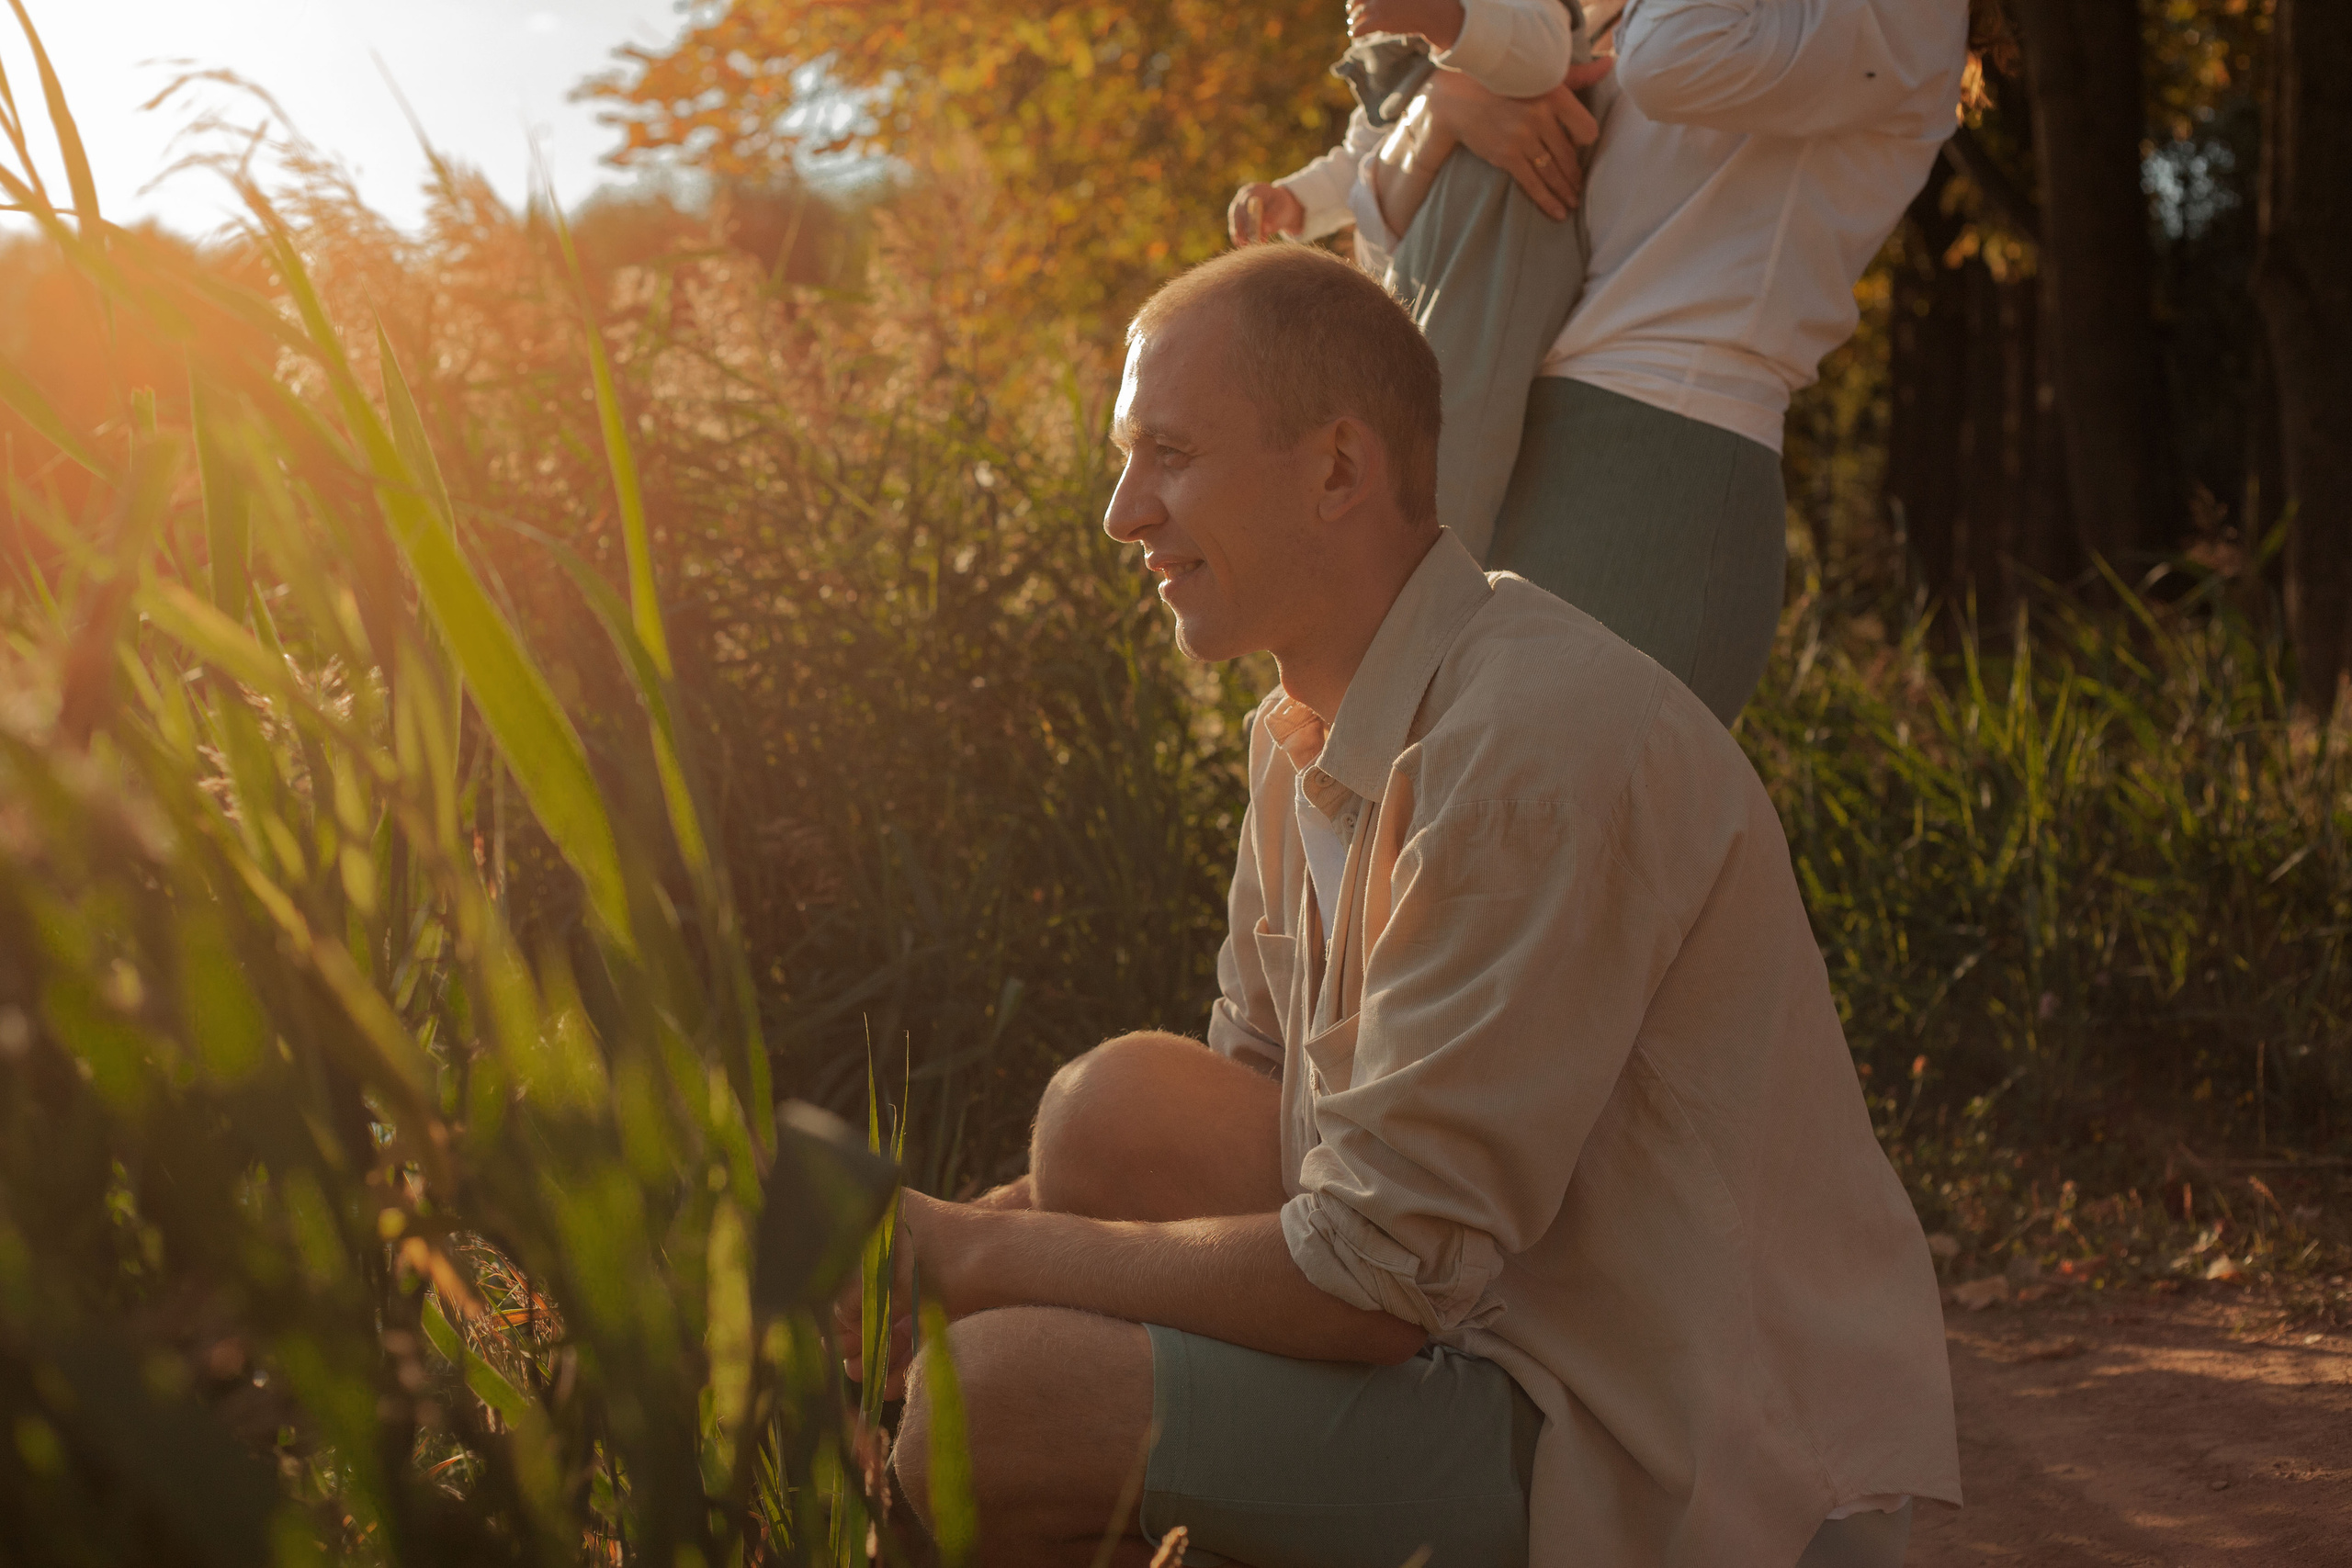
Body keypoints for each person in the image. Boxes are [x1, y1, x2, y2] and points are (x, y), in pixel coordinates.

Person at [854, 244, 1959, 1568]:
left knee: (991, 1401)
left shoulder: (1529, 743)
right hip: (1486, 1311)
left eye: (1169, 454)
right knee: (1113, 1113)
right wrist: (911, 1243)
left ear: (1337, 469)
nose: (1122, 512)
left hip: (1662, 1442)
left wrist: (973, 1259)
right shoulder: (1305, 729)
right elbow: (1262, 1124)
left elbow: (1377, 1274)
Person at [1262, 0, 1974, 725]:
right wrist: (1441, 114)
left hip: (1653, 459)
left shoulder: (1904, 18)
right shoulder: (1613, 12)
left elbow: (1669, 63)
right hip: (1498, 429)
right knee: (1411, 814)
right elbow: (1407, 260)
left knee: (1516, 812)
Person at [1230, 0, 1611, 575]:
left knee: (1458, 434)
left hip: (1510, 227)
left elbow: (1540, 57)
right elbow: (1364, 148)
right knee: (1408, 419)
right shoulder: (1394, 35)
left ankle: (1439, 579)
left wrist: (1441, 18)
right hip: (1436, 255)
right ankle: (1397, 575)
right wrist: (1297, 199)